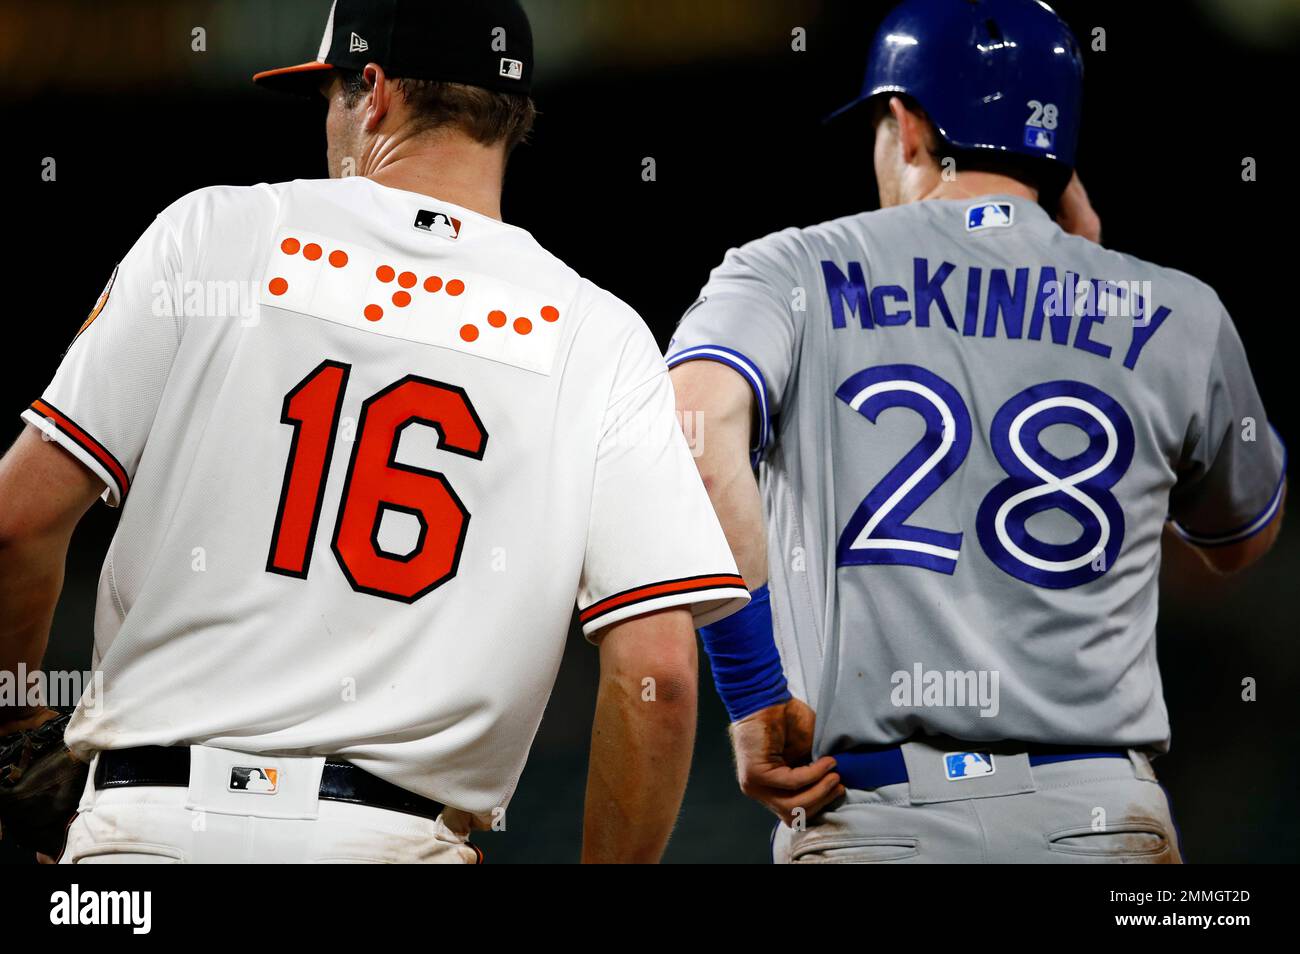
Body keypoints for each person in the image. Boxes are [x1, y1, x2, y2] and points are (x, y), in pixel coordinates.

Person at [0, 0, 747, 864]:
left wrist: (14, 722)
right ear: (512, 119)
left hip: (146, 831)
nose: (326, 120)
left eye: (328, 95)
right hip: (391, 841)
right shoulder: (597, 333)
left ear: (376, 94)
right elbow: (659, 677)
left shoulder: (211, 234)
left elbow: (18, 524)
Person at [668, 0, 1285, 863]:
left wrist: (751, 690)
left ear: (908, 122)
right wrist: (1086, 304)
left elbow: (694, 442)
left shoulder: (785, 269)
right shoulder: (1178, 309)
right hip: (1100, 815)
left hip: (874, 817)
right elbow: (1238, 540)